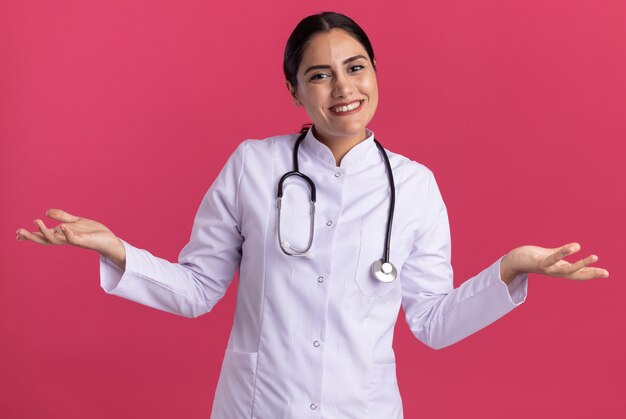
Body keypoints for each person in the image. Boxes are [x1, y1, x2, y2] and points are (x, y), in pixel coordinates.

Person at [16, 11, 609, 419]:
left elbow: (432, 322)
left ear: (375, 74)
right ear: (294, 90)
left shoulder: (415, 186)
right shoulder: (253, 165)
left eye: (355, 67)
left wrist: (510, 269)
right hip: (260, 405)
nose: (342, 87)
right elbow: (198, 289)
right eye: (318, 74)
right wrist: (117, 250)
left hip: (363, 407)